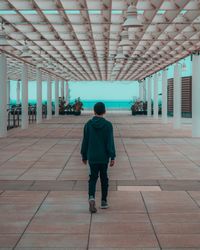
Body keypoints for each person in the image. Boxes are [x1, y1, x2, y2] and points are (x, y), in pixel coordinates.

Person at [81, 102, 116, 213]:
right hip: (103, 157)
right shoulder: (108, 125)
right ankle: (104, 201)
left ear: (94, 111)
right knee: (104, 178)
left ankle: (91, 197)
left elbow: (85, 141)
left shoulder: (88, 124)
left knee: (93, 177)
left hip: (92, 156)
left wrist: (84, 155)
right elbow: (110, 142)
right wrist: (112, 156)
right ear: (105, 111)